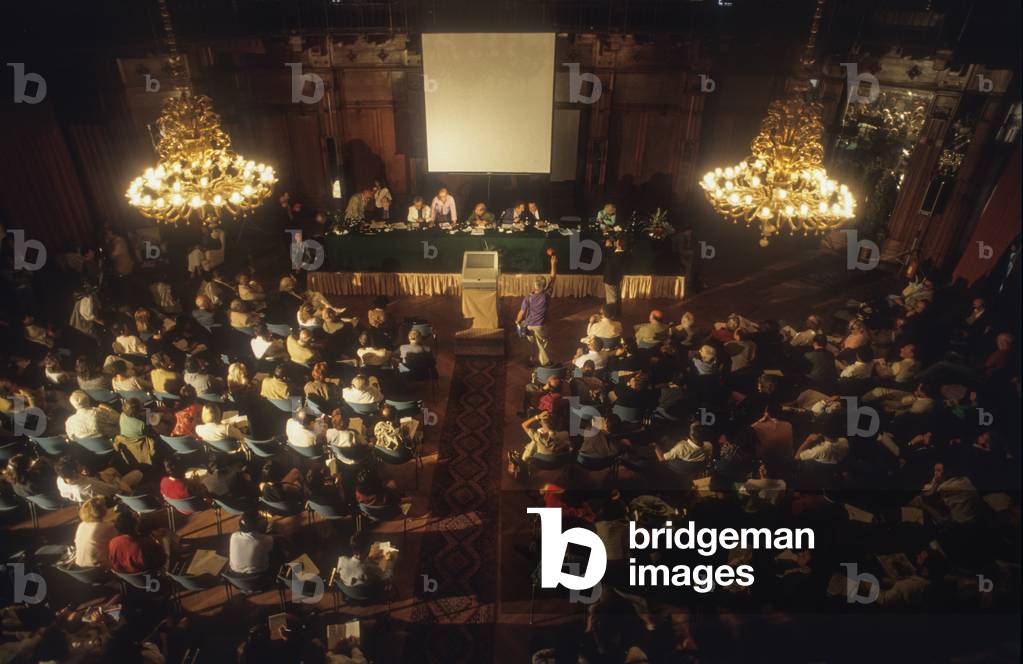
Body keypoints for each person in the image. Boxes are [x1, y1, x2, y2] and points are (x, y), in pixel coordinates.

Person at [515, 252, 557, 366]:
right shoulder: (547, 294)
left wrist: (517, 321)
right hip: (540, 326)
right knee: (542, 344)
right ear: (543, 286)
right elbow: (553, 278)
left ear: (535, 285)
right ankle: (545, 363)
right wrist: (553, 264)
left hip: (528, 325)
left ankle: (531, 359)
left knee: (531, 343)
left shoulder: (528, 297)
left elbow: (522, 312)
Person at [108, 510, 167, 574]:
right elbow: (163, 560)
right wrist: (159, 540)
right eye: (136, 517)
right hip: (152, 577)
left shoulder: (113, 542)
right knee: (167, 536)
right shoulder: (144, 545)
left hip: (132, 579)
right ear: (135, 525)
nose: (139, 518)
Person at [74, 497, 117, 568]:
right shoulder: (107, 527)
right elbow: (119, 540)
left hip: (80, 566)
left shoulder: (82, 525)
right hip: (100, 566)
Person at [602, 237, 627, 316]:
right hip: (615, 279)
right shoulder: (621, 253)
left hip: (611, 280)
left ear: (619, 245)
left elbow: (609, 260)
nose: (615, 242)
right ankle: (617, 313)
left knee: (611, 299)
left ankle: (612, 316)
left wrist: (607, 247)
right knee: (616, 297)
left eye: (617, 242)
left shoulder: (618, 255)